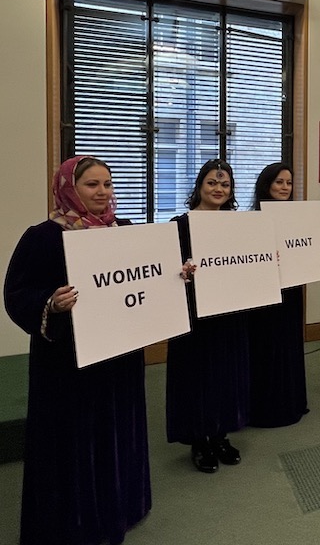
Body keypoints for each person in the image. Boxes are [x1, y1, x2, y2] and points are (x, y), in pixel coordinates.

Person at [4, 156, 152, 544]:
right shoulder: (44, 236)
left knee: (115, 430)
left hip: (118, 356)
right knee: (72, 439)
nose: (102, 192)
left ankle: (119, 504)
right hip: (67, 363)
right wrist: (50, 303)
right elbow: (17, 293)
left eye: (107, 184)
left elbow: (146, 278)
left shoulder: (124, 229)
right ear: (69, 187)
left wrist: (176, 275)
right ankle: (74, 519)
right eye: (92, 184)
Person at [166, 159, 250, 474]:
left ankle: (221, 434)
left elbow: (250, 261)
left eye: (225, 184)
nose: (218, 189)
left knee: (228, 373)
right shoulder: (180, 224)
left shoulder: (239, 224)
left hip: (229, 312)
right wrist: (181, 270)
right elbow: (165, 266)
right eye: (212, 183)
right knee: (197, 376)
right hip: (194, 316)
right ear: (200, 186)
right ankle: (199, 441)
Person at [246, 162, 308, 427]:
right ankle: (266, 408)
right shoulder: (251, 219)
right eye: (279, 182)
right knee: (266, 347)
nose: (285, 188)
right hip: (265, 293)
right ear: (266, 184)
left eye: (289, 183)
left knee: (290, 344)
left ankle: (292, 400)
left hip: (291, 289)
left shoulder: (297, 215)